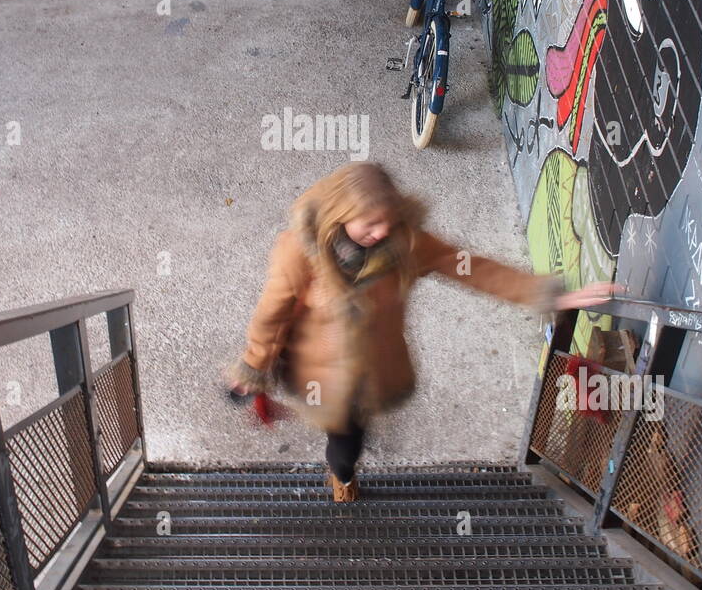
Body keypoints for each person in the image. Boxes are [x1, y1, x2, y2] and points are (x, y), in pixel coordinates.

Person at [226, 162, 617, 502]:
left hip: (377, 368)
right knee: (344, 445)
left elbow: (468, 266)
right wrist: (253, 365)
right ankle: (343, 477)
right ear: (339, 214)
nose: (381, 232)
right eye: (370, 223)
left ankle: (347, 456)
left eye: (387, 221)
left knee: (356, 430)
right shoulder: (298, 252)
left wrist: (544, 294)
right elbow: (271, 314)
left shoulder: (405, 244)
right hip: (323, 373)